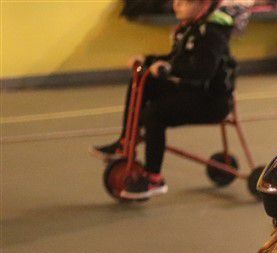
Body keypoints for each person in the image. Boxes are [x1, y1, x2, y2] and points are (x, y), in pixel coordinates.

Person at [92, 0, 236, 200]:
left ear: (204, 5)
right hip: (193, 91)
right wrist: (148, 60)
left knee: (155, 114)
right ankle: (125, 141)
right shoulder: (188, 28)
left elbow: (203, 70)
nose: (177, 4)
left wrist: (170, 70)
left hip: (213, 101)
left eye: (185, 2)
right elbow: (176, 59)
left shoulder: (212, 32)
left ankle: (154, 178)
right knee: (144, 83)